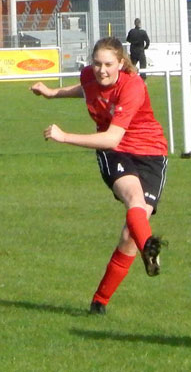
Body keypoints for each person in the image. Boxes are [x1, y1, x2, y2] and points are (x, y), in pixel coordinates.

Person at [30, 37, 167, 315]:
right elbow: (86, 89)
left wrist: (64, 136)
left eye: (108, 64)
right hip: (114, 152)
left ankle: (100, 301)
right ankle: (149, 248)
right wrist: (53, 93)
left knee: (130, 233)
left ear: (121, 63)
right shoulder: (89, 76)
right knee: (134, 201)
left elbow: (111, 135)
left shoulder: (133, 86)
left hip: (150, 153)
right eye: (96, 64)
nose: (101, 70)